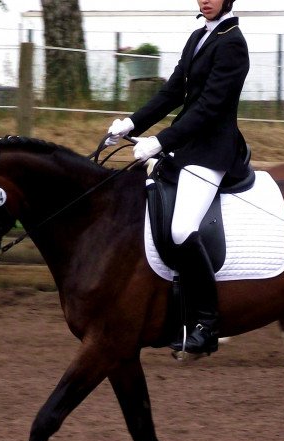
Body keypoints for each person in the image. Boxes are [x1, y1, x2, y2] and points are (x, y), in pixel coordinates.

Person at [105, 0, 249, 357]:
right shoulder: (199, 35)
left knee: (183, 229)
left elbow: (209, 107)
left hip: (213, 150)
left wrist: (160, 141)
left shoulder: (233, 41)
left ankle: (206, 324)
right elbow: (173, 93)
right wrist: (132, 124)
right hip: (185, 147)